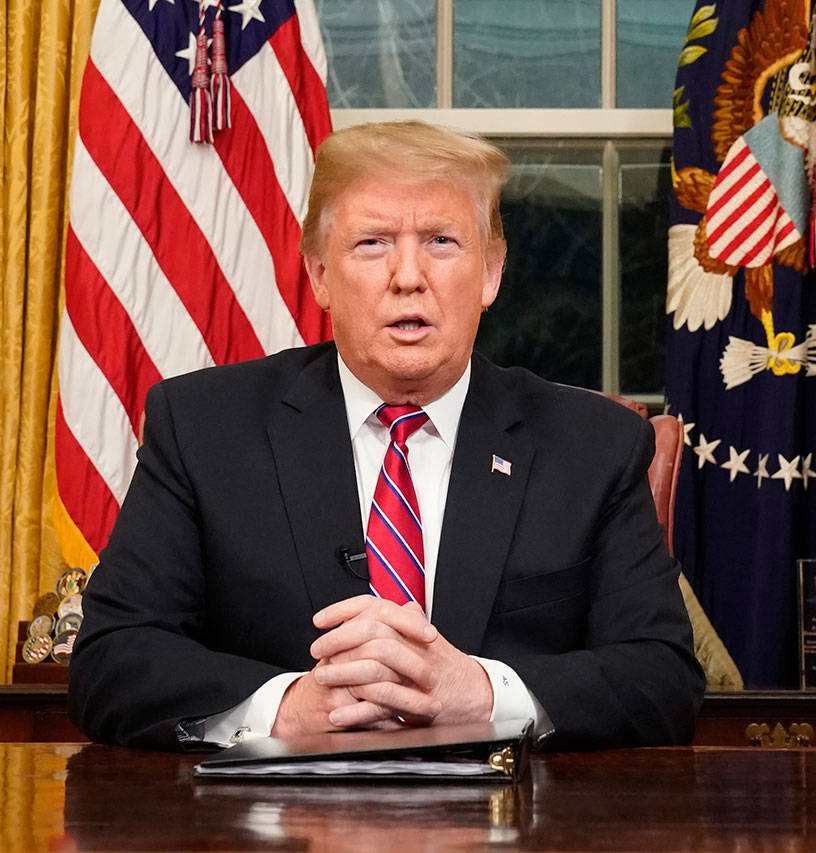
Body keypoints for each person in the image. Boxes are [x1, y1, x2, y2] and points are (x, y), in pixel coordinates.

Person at [68, 121, 705, 752]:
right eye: (373, 243)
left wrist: (480, 693)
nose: (408, 276)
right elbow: (111, 660)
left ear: (491, 273)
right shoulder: (203, 427)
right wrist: (286, 709)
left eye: (442, 242)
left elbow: (663, 677)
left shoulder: (594, 446)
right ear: (318, 275)